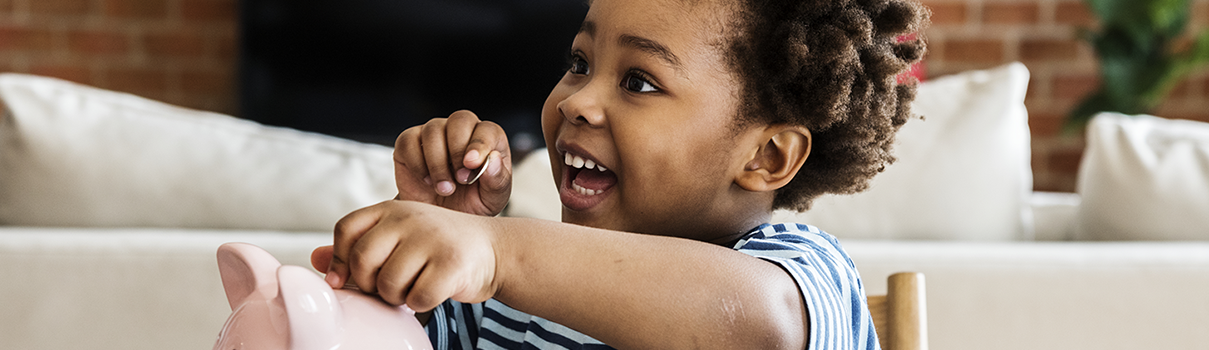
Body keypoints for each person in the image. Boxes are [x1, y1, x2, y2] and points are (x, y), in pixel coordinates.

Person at [311, 0, 927, 348]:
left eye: (639, 81)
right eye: (580, 62)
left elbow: (764, 325)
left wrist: (499, 251)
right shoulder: (504, 305)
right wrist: (435, 238)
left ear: (766, 157)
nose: (577, 100)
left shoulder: (800, 272)